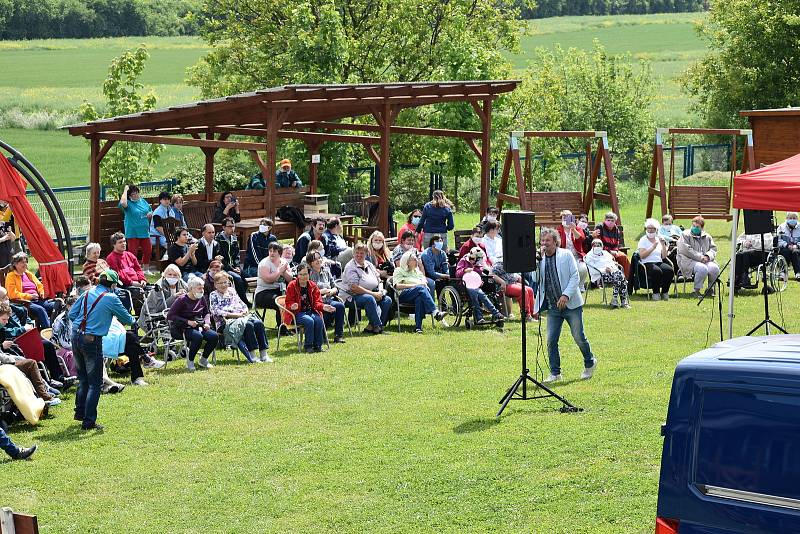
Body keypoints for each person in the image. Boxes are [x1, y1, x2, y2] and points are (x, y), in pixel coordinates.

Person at [69, 269, 136, 430]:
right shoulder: (112, 298)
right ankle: (89, 421)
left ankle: (80, 412)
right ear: (112, 284)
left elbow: (72, 314)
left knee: (83, 377)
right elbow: (127, 319)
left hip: (75, 336)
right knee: (95, 382)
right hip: (91, 340)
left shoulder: (87, 293)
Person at [533, 227, 597, 383]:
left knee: (578, 336)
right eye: (542, 241)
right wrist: (536, 262)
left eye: (547, 240)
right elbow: (535, 279)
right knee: (551, 340)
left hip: (571, 305)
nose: (544, 243)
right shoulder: (539, 259)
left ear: (555, 242)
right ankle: (555, 373)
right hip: (553, 307)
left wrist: (565, 295)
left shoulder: (566, 255)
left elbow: (575, 277)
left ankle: (590, 362)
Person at [0, 287, 72, 388]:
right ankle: (47, 381)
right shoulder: (1, 314)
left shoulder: (17, 308)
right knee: (43, 345)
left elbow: (28, 320)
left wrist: (29, 325)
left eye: (7, 295)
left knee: (46, 344)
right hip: (13, 343)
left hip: (27, 337)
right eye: (4, 297)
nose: (7, 298)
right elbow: (4, 332)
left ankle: (58, 378)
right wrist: (23, 329)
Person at [0, 304, 60, 405]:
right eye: (4, 319)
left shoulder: (2, 328)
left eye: (7, 319)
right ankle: (44, 395)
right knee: (30, 363)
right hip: (3, 363)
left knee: (30, 358)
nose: (6, 322)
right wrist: (4, 349)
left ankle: (45, 389)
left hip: (5, 358)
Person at [209, 271, 271, 363]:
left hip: (241, 317)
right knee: (248, 325)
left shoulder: (232, 291)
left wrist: (245, 310)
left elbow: (241, 303)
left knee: (258, 323)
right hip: (225, 323)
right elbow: (215, 311)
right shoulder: (213, 295)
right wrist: (235, 315)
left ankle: (263, 354)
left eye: (225, 282)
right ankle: (252, 355)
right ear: (215, 284)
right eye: (220, 283)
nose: (224, 285)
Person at [166, 276, 219, 372]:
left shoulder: (201, 298)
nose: (202, 290)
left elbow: (206, 312)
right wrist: (187, 322)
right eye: (199, 288)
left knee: (214, 336)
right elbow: (170, 316)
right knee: (197, 337)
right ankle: (190, 361)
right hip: (181, 327)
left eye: (202, 288)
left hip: (198, 325)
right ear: (191, 288)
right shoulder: (181, 300)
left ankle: (203, 360)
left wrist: (207, 323)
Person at [341, 243, 392, 334]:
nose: (359, 255)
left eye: (362, 253)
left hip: (371, 293)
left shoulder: (369, 264)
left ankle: (371, 326)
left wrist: (380, 291)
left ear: (366, 254)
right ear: (353, 253)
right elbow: (354, 288)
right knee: (369, 299)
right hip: (352, 296)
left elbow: (379, 280)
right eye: (357, 253)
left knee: (387, 299)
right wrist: (373, 294)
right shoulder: (350, 267)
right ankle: (377, 327)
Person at [393, 249, 448, 333]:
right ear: (407, 261)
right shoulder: (399, 270)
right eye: (414, 260)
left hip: (417, 293)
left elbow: (424, 281)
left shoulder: (417, 271)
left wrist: (424, 284)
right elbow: (397, 286)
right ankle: (435, 312)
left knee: (419, 298)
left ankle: (418, 327)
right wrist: (415, 286)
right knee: (420, 288)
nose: (417, 262)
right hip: (403, 294)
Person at [284, 263, 334, 352]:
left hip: (311, 311)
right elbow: (288, 302)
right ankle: (308, 346)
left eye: (305, 274)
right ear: (297, 275)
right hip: (297, 313)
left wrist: (323, 306)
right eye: (301, 274)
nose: (303, 277)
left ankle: (318, 346)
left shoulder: (313, 285)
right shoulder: (292, 285)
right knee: (309, 321)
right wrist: (292, 305)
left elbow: (317, 303)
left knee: (318, 320)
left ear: (309, 274)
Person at [4, 252, 57, 328]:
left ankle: (55, 328)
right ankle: (48, 332)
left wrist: (42, 293)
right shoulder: (11, 276)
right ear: (15, 264)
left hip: (38, 299)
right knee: (40, 310)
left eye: (26, 262)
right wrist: (30, 296)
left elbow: (39, 285)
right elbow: (12, 294)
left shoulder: (28, 273)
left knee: (56, 305)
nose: (25, 264)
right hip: (25, 303)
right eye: (22, 262)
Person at [455, 247, 504, 325]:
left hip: (475, 285)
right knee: (475, 294)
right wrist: (465, 270)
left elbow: (480, 274)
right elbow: (457, 273)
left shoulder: (478, 264)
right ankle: (479, 317)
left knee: (482, 295)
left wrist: (480, 280)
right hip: (464, 285)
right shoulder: (463, 261)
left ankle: (496, 313)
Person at [307, 251, 346, 343]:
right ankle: (321, 335)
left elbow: (335, 287)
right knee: (325, 310)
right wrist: (320, 292)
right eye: (315, 259)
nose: (318, 260)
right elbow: (307, 292)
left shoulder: (326, 271)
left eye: (319, 258)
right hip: (315, 302)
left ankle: (338, 335)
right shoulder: (308, 274)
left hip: (328, 299)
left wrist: (332, 291)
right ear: (310, 263)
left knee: (339, 306)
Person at [677, 216, 719, 298]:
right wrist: (701, 257)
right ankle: (696, 290)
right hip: (688, 260)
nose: (695, 228)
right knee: (702, 268)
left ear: (702, 228)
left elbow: (713, 249)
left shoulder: (707, 236)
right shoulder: (685, 235)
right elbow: (686, 250)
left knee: (714, 268)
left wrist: (707, 256)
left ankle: (710, 289)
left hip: (705, 260)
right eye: (693, 226)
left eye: (697, 227)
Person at [254, 242, 294, 327]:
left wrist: (284, 272)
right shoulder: (264, 264)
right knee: (280, 301)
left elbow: (290, 279)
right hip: (263, 293)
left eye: (274, 251)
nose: (271, 253)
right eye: (270, 251)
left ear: (279, 253)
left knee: (292, 299)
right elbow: (269, 280)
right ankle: (282, 328)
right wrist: (279, 271)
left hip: (279, 290)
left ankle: (291, 325)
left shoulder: (283, 262)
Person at [118, 184, 154, 273]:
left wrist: (150, 214)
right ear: (129, 196)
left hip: (144, 231)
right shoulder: (128, 203)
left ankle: (146, 269)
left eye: (137, 193)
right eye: (133, 194)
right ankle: (133, 270)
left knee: (148, 250)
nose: (136, 195)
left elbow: (150, 210)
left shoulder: (143, 201)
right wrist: (125, 190)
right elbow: (123, 203)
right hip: (132, 232)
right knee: (133, 253)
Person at [586, 238, 631, 308]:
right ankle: (623, 301)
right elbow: (592, 270)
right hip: (600, 276)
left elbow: (611, 262)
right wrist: (604, 270)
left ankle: (615, 299)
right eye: (595, 245)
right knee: (621, 278)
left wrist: (613, 266)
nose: (597, 247)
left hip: (612, 273)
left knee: (619, 275)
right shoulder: (589, 256)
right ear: (592, 246)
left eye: (599, 245)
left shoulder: (605, 253)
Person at [216, 217, 250, 306]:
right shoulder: (219, 240)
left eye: (233, 226)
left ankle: (241, 298)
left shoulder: (234, 239)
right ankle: (244, 302)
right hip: (225, 268)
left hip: (235, 267)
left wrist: (238, 267)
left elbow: (237, 256)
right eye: (229, 226)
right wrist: (232, 269)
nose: (232, 228)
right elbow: (222, 259)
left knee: (247, 278)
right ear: (223, 227)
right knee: (237, 279)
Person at [636, 220, 673, 301]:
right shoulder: (643, 240)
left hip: (658, 261)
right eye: (649, 228)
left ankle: (664, 292)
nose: (650, 230)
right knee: (656, 271)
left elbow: (663, 256)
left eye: (653, 229)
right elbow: (642, 256)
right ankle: (656, 293)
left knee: (669, 270)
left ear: (656, 230)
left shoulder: (658, 239)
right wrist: (653, 247)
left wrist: (663, 245)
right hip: (646, 263)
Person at [557, 210, 589, 291]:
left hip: (576, 256)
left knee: (583, 269)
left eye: (568, 217)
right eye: (564, 217)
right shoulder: (559, 230)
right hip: (564, 257)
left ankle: (580, 285)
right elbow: (557, 244)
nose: (566, 219)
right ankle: (568, 287)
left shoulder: (577, 228)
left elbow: (581, 239)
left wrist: (573, 229)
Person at [592, 212, 630, 278]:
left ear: (615, 222)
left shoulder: (616, 229)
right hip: (602, 252)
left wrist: (615, 251)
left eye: (612, 220)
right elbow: (598, 244)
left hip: (613, 251)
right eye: (608, 220)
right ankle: (614, 279)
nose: (610, 222)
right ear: (605, 220)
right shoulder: (600, 227)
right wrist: (610, 252)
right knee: (610, 258)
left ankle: (628, 278)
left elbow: (616, 243)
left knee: (623, 257)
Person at [777, 211, 800, 280]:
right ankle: (783, 273)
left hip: (797, 247)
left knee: (795, 252)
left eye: (794, 218)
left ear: (797, 219)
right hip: (785, 247)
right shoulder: (781, 227)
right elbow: (778, 240)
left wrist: (797, 245)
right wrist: (787, 245)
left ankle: (798, 273)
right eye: (790, 218)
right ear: (787, 218)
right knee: (786, 252)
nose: (792, 219)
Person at [0, 199, 17, 267]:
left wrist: (10, 233)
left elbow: (13, 239)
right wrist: (3, 239)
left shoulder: (3, 224)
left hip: (8, 256)